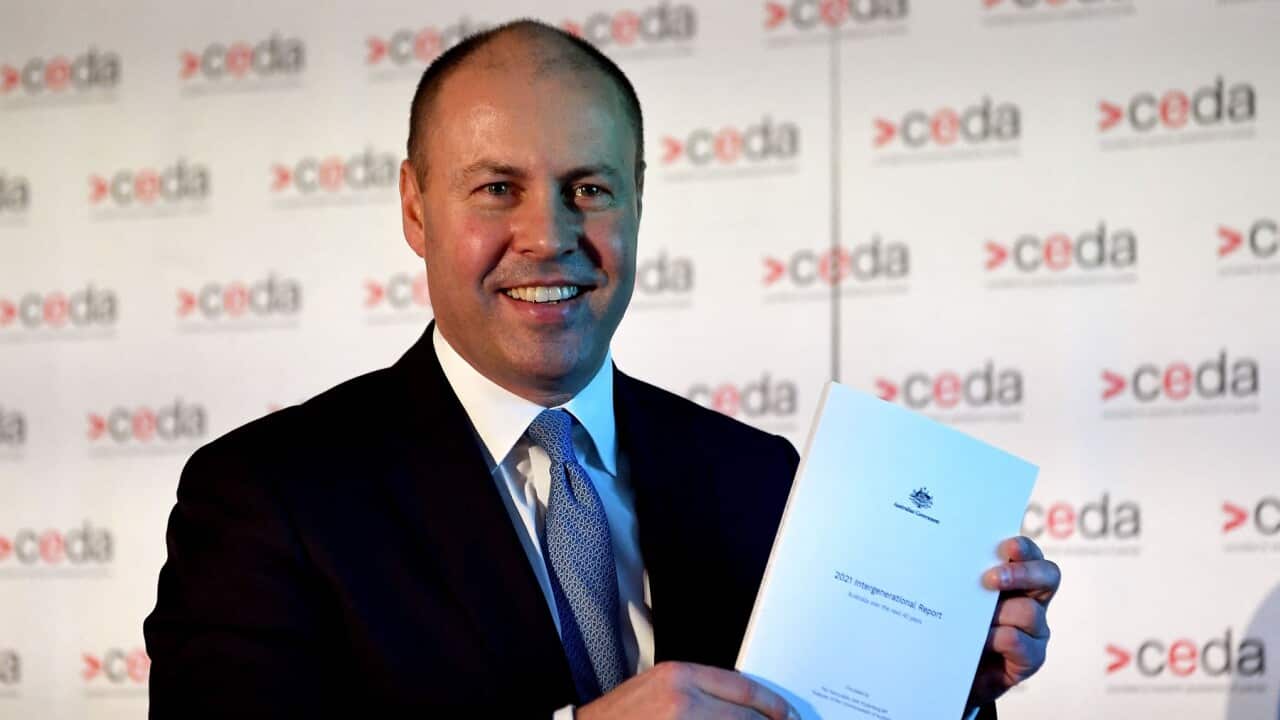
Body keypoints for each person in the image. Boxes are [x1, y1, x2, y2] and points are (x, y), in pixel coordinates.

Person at [144, 19, 1059, 719]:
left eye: (589, 189)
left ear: (638, 202)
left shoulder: (757, 478)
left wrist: (943, 680)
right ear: (416, 210)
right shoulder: (268, 496)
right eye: (497, 188)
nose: (550, 237)